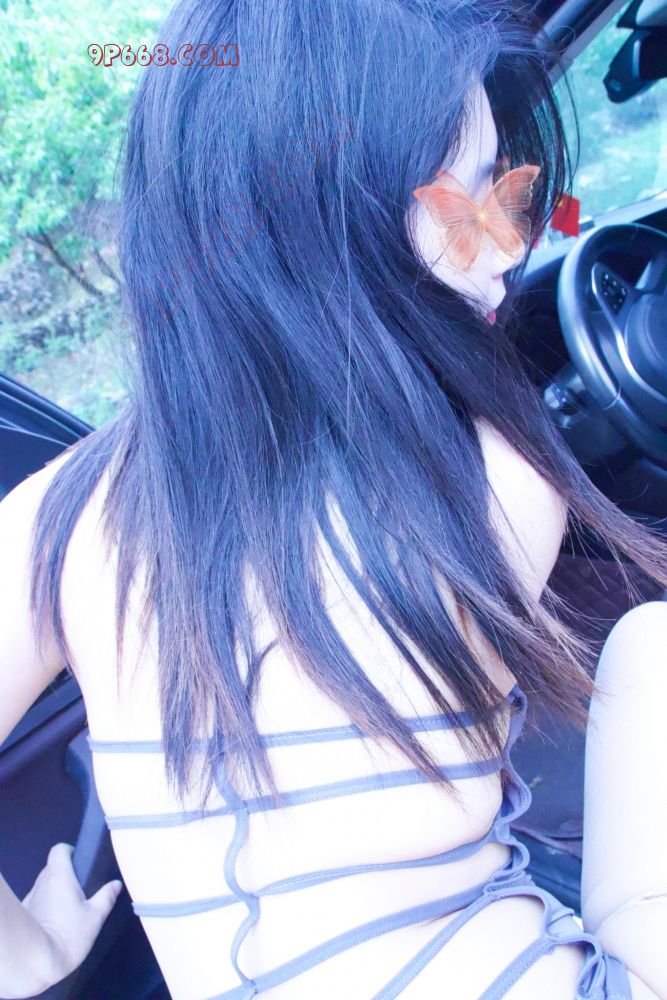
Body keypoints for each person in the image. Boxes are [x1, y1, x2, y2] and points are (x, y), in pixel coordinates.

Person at [1, 0, 667, 997]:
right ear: (315, 225)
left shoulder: (56, 519)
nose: (504, 245)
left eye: (502, 186)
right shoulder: (491, 480)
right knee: (652, 644)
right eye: (457, 198)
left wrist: (30, 956)